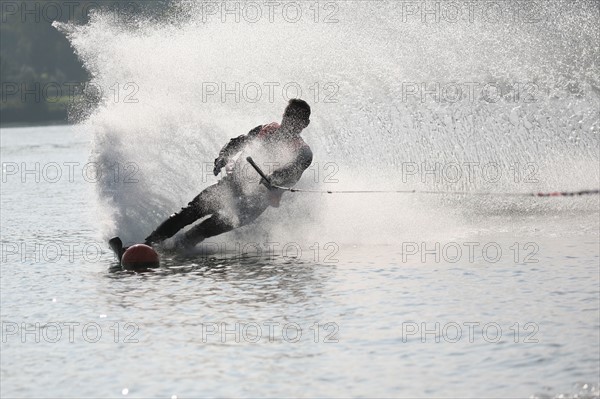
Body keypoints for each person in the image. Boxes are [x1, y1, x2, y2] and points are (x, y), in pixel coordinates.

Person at [143, 99, 313, 249]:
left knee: (204, 229)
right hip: (232, 185)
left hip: (255, 202)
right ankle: (149, 244)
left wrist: (273, 179)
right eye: (288, 116)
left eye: (295, 119)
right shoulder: (265, 130)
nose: (289, 122)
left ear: (304, 124)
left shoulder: (303, 153)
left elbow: (290, 175)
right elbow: (238, 142)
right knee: (190, 212)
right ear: (283, 115)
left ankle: (175, 250)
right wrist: (223, 156)